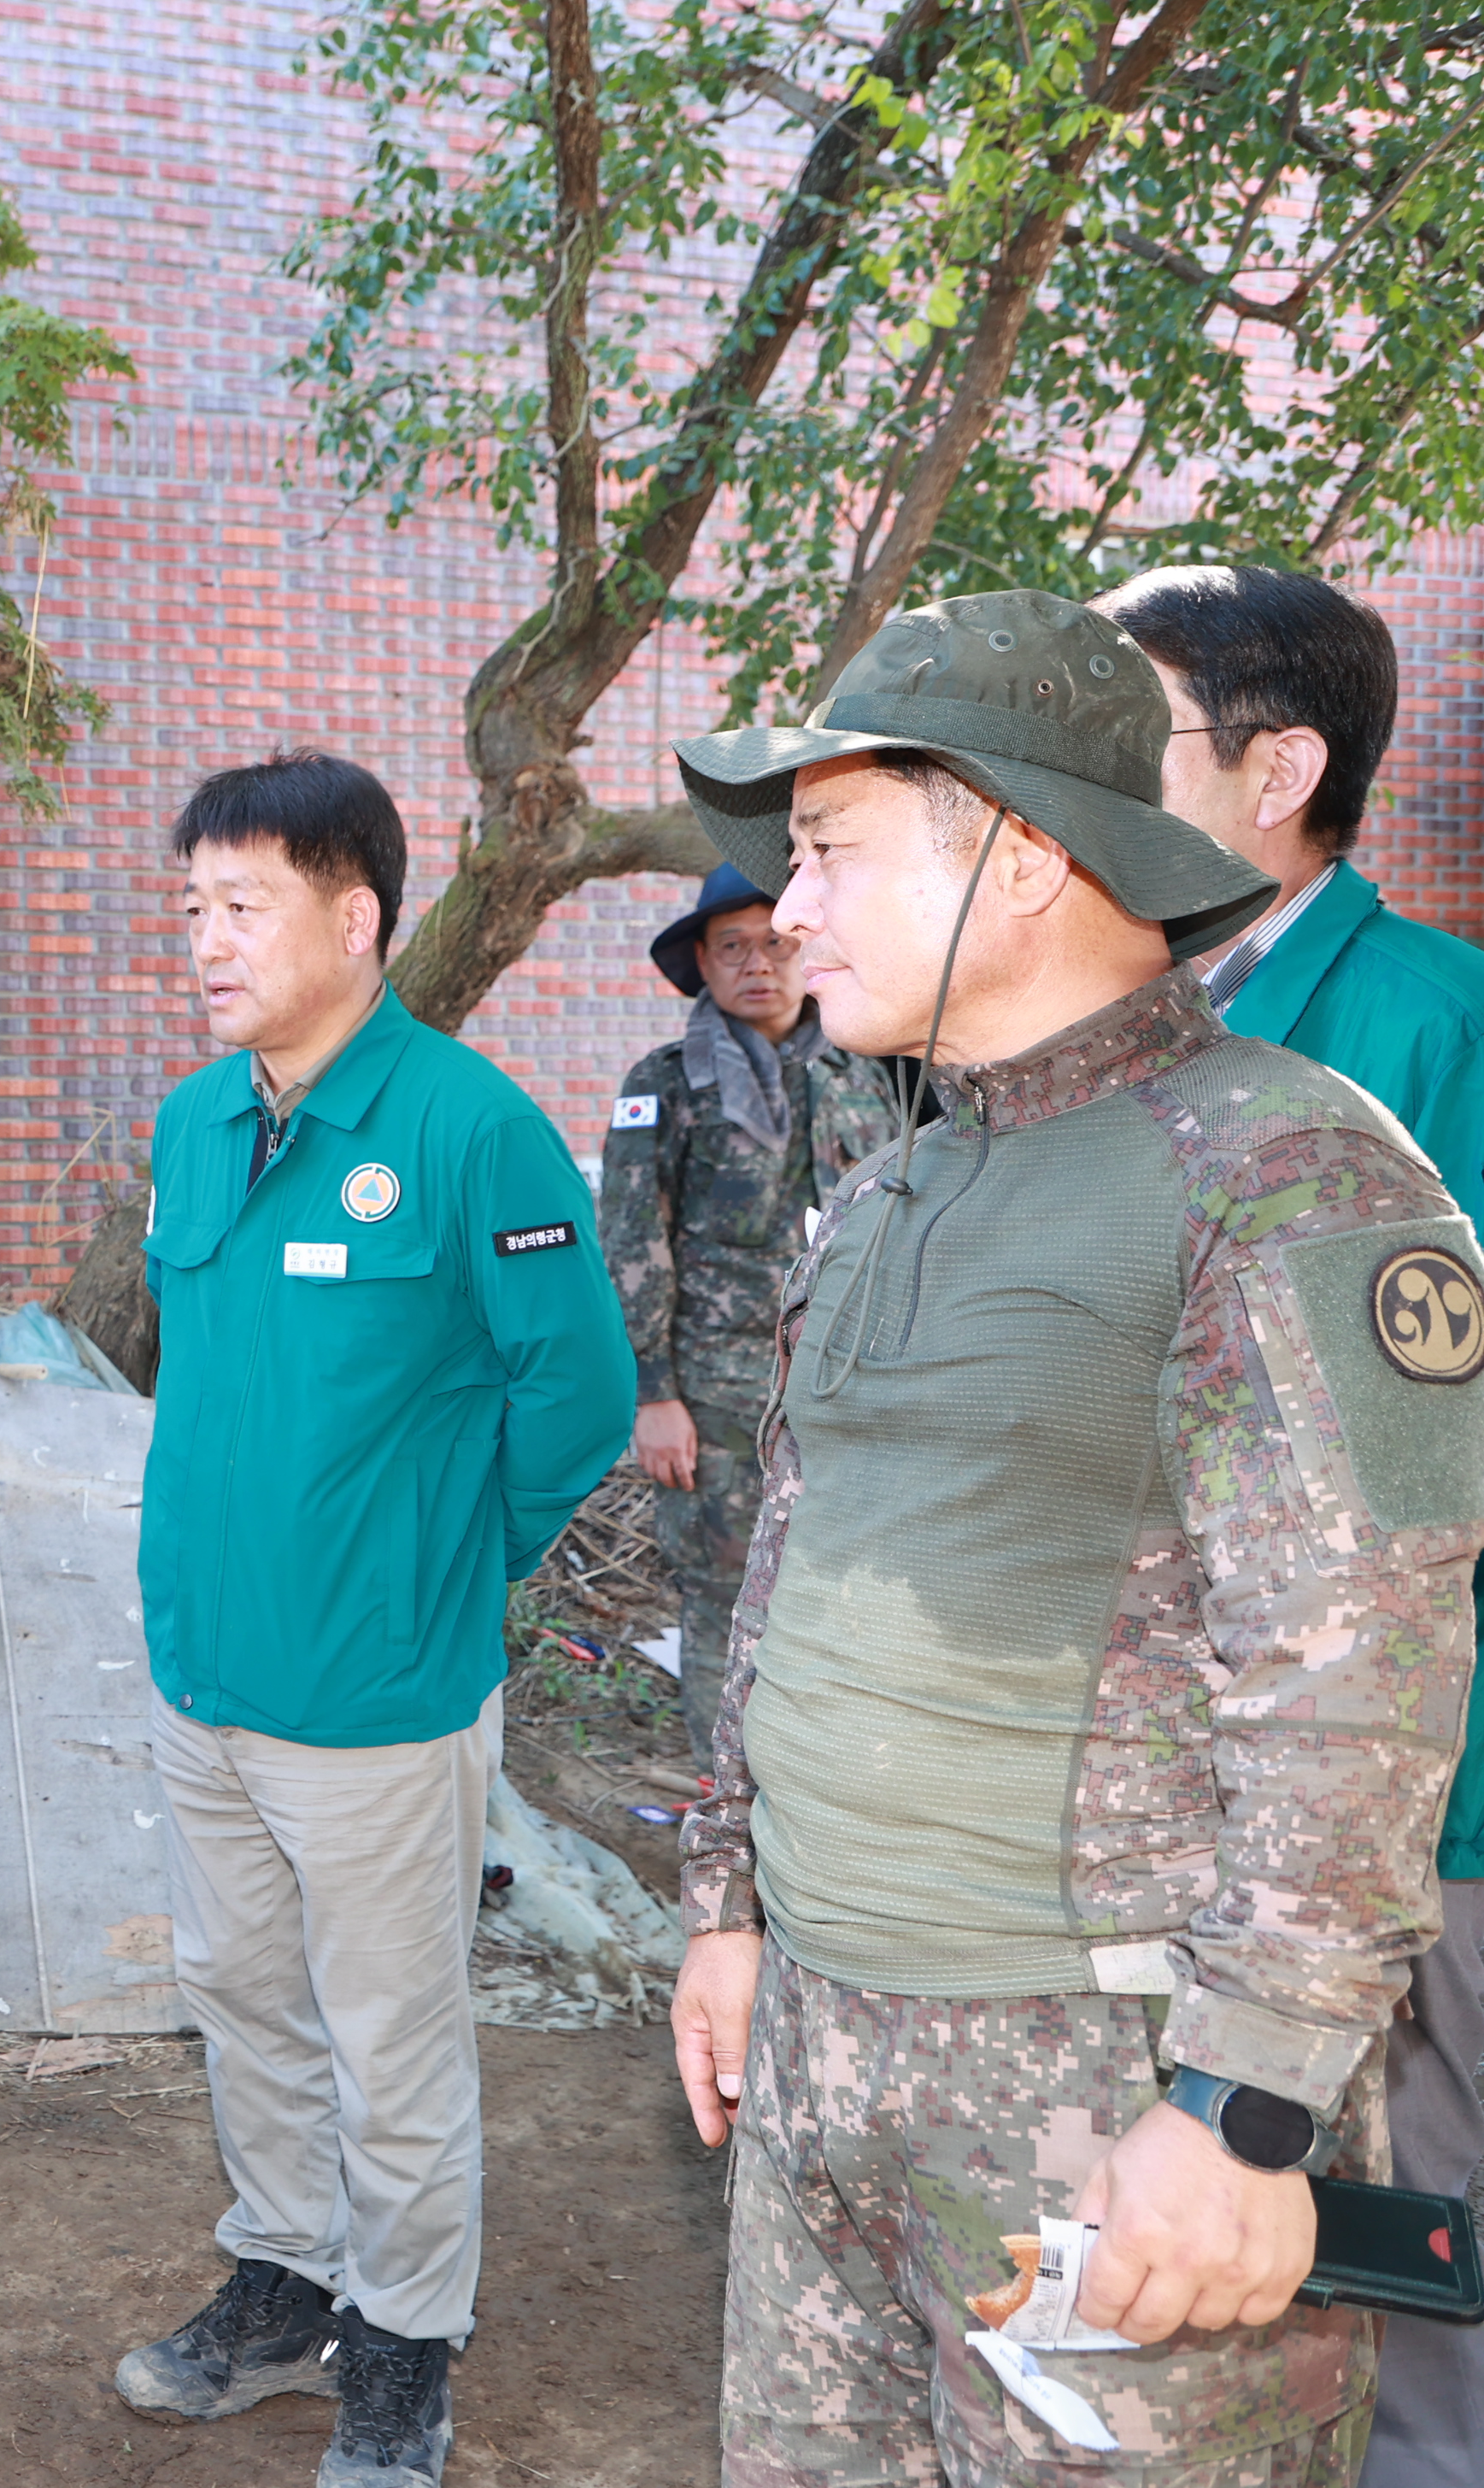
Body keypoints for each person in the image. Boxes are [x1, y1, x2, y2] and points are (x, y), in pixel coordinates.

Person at [666, 588, 1484, 2485]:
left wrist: (1244, 2103)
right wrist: (730, 1902)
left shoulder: (1291, 1171)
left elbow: (1360, 1677)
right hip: (822, 2063)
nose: (783, 915)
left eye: (829, 855)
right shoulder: (895, 1182)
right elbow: (791, 1570)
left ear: (1023, 859)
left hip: (1105, 2104)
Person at [109, 752, 631, 2488]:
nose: (204, 937)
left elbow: (578, 1393)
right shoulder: (196, 1119)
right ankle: (287, 2280)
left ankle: (404, 2344)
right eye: (191, 904)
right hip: (208, 1667)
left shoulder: (466, 1127)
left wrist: (454, 1562)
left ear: (356, 914)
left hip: (383, 1692)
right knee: (241, 1994)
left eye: (239, 902)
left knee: (389, 2034)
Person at [1098, 561, 1484, 2488]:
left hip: (1414, 1791)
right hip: (1188, 1800)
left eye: (1131, 728)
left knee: (1426, 2243)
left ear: (1281, 771)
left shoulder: (1414, 1036)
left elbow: (1424, 1480)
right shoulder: (1128, 1029)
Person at [598, 863, 900, 1762]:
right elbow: (630, 1242)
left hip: (850, 1386)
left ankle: (818, 1796)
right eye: (732, 945)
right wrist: (654, 1395)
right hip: (717, 1400)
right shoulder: (666, 1084)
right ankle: (723, 1807)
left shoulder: (871, 1071)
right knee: (722, 1602)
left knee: (844, 1590)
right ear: (702, 961)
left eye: (775, 940)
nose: (758, 963)